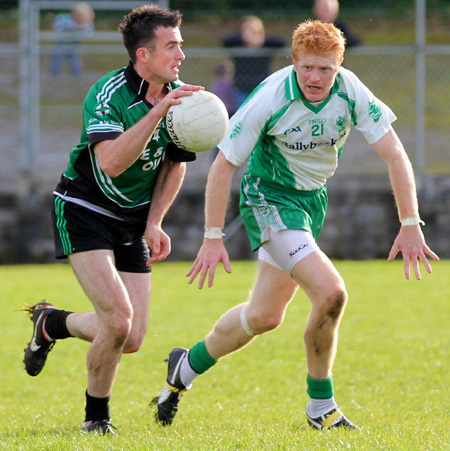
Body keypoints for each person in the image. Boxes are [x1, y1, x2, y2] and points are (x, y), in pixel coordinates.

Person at [154, 19, 439, 430]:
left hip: (310, 202)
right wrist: (212, 237)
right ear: (294, 62)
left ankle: (183, 369)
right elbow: (224, 166)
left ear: (339, 67)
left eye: (326, 68)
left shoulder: (350, 90)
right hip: (268, 197)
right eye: (307, 67)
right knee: (332, 293)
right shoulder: (270, 96)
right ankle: (321, 407)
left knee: (264, 317)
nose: (316, 77)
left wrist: (410, 222)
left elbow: (394, 153)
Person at [23, 5, 203, 435]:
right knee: (118, 321)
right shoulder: (107, 94)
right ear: (143, 54)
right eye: (171, 46)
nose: (181, 54)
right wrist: (157, 112)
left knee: (132, 337)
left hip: (131, 221)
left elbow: (175, 164)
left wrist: (155, 221)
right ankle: (96, 419)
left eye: (181, 45)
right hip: (84, 209)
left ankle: (51, 323)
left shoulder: (179, 96)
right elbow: (111, 163)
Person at [222, 15, 285, 106]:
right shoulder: (239, 46)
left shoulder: (265, 46)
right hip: (242, 90)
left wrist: (260, 40)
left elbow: (281, 42)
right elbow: (226, 42)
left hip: (262, 90)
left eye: (251, 30)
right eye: (244, 30)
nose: (247, 33)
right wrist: (244, 38)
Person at [50, 2, 95, 77]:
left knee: (75, 62)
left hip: (74, 45)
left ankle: (76, 77)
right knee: (57, 61)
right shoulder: (66, 20)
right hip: (61, 44)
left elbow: (89, 34)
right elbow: (57, 26)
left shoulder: (87, 25)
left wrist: (81, 31)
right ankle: (54, 76)